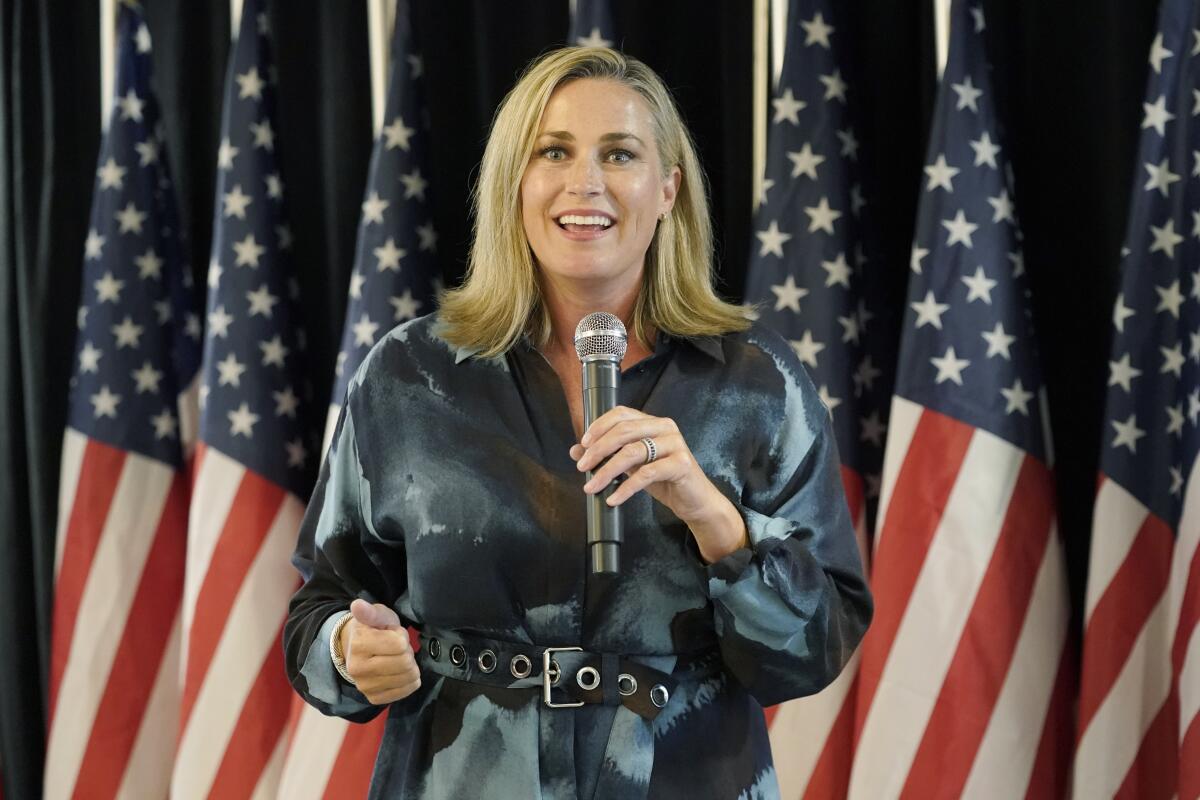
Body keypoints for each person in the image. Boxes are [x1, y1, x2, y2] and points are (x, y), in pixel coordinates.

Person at [284, 46, 872, 800]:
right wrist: (348, 650)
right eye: (553, 151)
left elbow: (813, 654)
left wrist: (712, 517)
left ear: (668, 189)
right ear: (515, 185)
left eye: (619, 153)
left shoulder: (758, 384)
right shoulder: (407, 376)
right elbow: (319, 607)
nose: (583, 181)